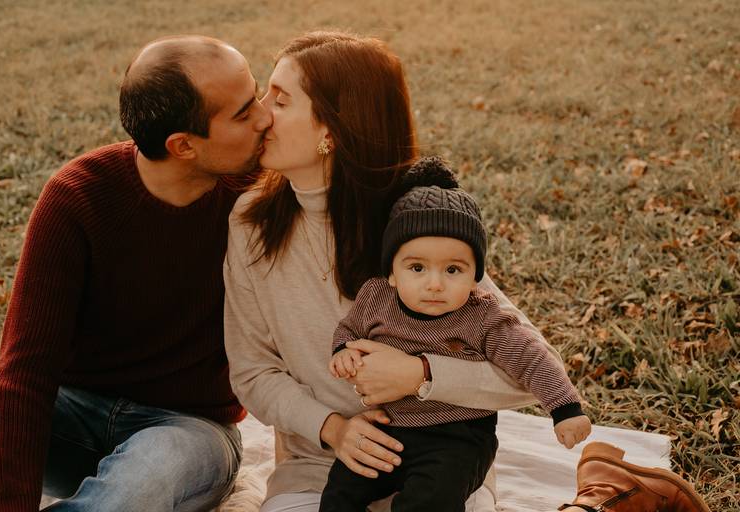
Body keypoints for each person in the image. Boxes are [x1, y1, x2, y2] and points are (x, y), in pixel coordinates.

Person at [223, 30, 711, 512]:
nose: (261, 112)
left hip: (441, 460)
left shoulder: (415, 225)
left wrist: (421, 374)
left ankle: (600, 498)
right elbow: (253, 369)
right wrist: (331, 426)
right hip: (319, 465)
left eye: (280, 100)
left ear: (331, 130)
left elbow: (522, 367)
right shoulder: (250, 224)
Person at [0, 35, 271, 512]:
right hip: (73, 416)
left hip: (189, 433)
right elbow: (27, 372)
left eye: (256, 94)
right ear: (183, 146)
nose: (265, 116)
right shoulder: (78, 198)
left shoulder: (265, 198)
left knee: (148, 472)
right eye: (242, 112)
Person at [318, 157, 592, 511]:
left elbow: (531, 358)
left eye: (452, 269)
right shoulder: (376, 297)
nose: (434, 284)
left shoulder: (481, 316)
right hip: (391, 426)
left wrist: (565, 409)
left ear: (475, 276)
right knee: (343, 485)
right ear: (392, 273)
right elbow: (349, 329)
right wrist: (343, 351)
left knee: (432, 499)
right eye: (417, 267)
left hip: (458, 437)